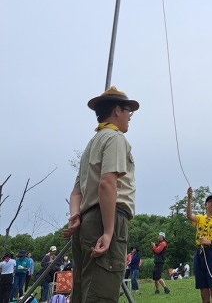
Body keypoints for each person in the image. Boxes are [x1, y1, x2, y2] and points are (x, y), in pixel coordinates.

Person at [62, 86, 139, 303]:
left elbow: (76, 191)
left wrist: (75, 216)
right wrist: (108, 231)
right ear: (117, 110)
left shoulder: (91, 145)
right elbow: (107, 184)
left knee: (83, 292)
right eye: (128, 111)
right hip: (106, 218)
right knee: (101, 294)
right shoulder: (114, 138)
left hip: (85, 222)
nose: (130, 117)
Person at [186, 187, 212, 303]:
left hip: (211, 254)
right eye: (209, 201)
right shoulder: (200, 218)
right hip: (199, 253)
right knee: (203, 288)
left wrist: (209, 242)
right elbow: (189, 215)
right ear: (205, 205)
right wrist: (189, 198)